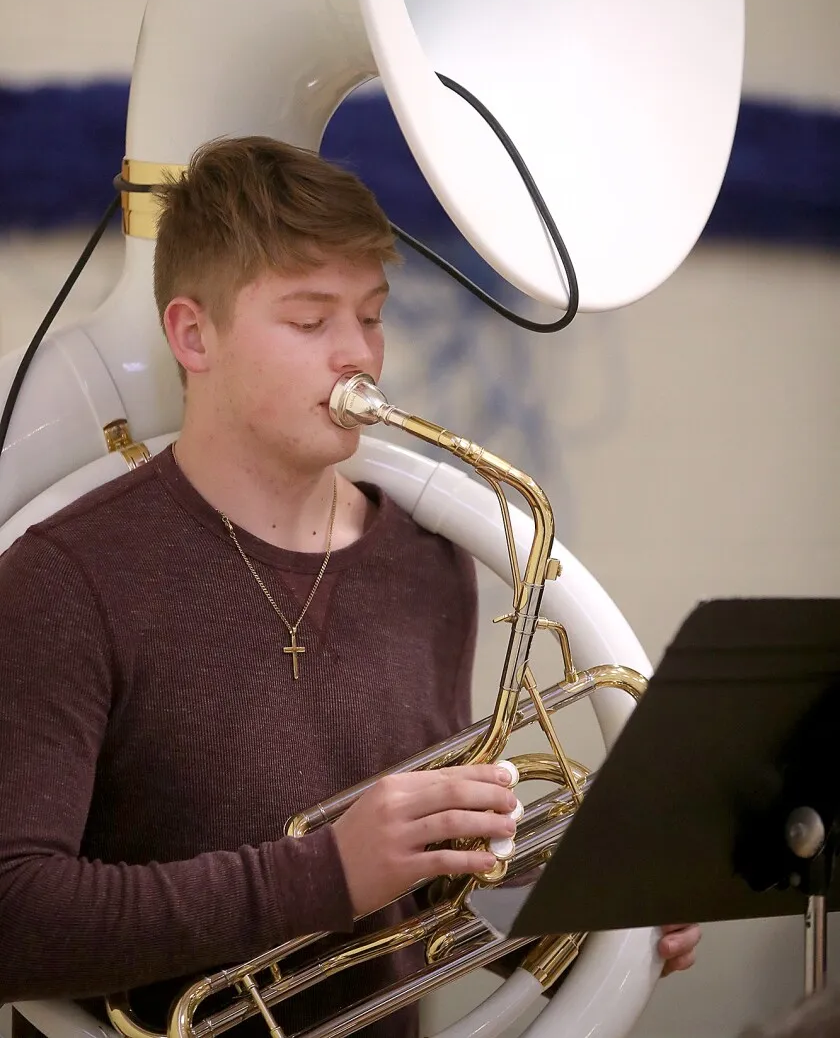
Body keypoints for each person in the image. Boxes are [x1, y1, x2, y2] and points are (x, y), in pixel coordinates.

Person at [0, 137, 699, 1038]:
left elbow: (428, 893)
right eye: (309, 320)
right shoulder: (64, 580)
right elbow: (13, 913)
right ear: (192, 334)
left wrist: (585, 912)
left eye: (371, 315)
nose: (358, 356)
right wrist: (327, 874)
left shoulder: (430, 560)